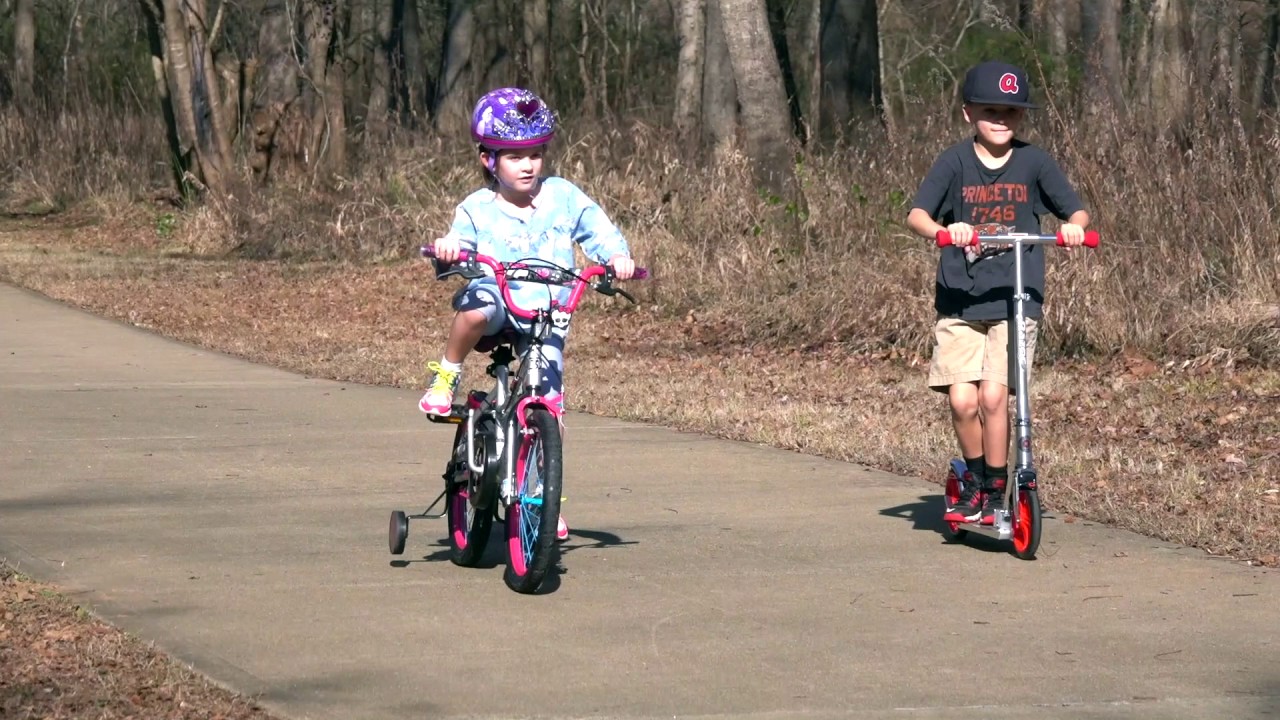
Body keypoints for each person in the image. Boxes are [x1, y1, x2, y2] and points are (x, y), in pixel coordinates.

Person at [419, 87, 635, 541]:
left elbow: (598, 230)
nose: (528, 164)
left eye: (535, 153)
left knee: (548, 407)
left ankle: (541, 496)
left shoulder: (562, 196)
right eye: (514, 155)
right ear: (488, 159)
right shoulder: (477, 209)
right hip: (499, 301)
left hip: (547, 313)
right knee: (477, 309)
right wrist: (449, 250)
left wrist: (616, 258)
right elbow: (454, 250)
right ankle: (446, 375)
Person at [905, 61, 1090, 526]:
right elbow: (917, 215)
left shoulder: (1035, 162)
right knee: (963, 401)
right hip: (962, 302)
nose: (1002, 120)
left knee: (994, 397)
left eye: (1011, 112)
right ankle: (973, 479)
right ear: (969, 113)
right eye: (991, 110)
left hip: (1015, 299)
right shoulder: (954, 162)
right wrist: (946, 232)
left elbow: (1077, 212)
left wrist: (1072, 229)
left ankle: (996, 486)